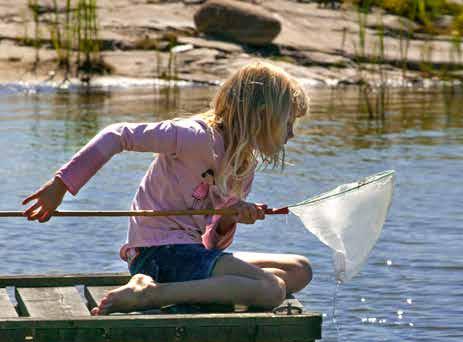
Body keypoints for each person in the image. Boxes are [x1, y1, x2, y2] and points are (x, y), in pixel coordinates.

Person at [22, 61, 312, 315]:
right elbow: (117, 135)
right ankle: (150, 294)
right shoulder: (193, 136)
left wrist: (228, 218)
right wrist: (60, 185)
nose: (291, 133)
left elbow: (209, 248)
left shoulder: (242, 167)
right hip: (158, 254)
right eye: (287, 122)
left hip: (190, 254)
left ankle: (157, 286)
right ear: (261, 115)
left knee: (299, 270)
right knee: (272, 289)